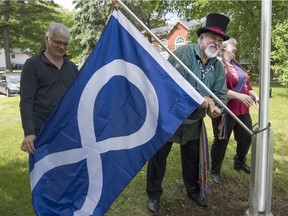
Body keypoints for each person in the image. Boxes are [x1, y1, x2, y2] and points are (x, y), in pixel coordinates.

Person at [146, 13, 230, 213]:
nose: (216, 43)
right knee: (158, 157)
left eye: (219, 41)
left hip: (194, 123)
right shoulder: (183, 53)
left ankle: (193, 192)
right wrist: (203, 99)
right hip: (170, 116)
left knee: (192, 160)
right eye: (212, 38)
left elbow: (220, 96)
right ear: (201, 38)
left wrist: (216, 108)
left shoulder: (217, 66)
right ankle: (153, 195)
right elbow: (173, 84)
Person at [20, 23, 79, 154]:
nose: (62, 46)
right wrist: (29, 133)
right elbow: (26, 101)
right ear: (47, 39)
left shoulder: (72, 67)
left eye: (65, 43)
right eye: (57, 42)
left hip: (68, 131)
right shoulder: (32, 65)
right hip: (43, 132)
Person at [210, 38, 259, 185]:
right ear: (224, 48)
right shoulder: (217, 64)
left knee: (246, 138)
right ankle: (215, 170)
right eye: (233, 45)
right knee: (221, 140)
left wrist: (255, 96)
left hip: (243, 109)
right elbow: (215, 89)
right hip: (225, 110)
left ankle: (239, 162)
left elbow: (247, 86)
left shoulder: (237, 65)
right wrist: (238, 96)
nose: (236, 48)